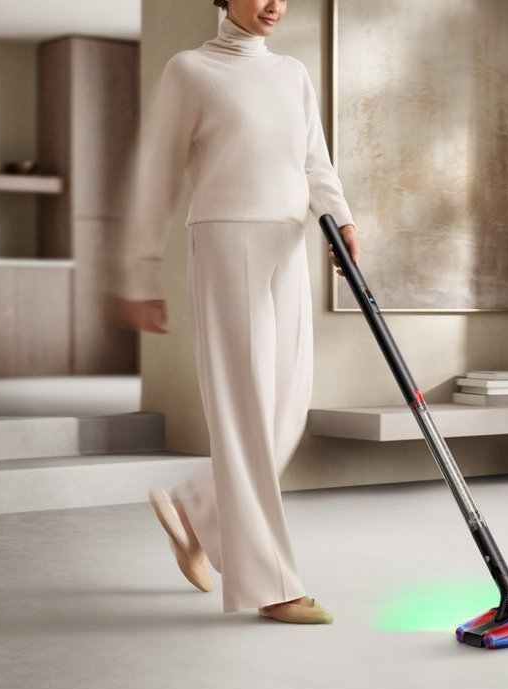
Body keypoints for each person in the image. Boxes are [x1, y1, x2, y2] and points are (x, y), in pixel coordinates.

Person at [108, 0, 360, 625]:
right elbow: (157, 174)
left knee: (286, 408)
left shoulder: (294, 73)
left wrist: (341, 219)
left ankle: (197, 504)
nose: (275, 4)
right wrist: (138, 269)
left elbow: (314, 161)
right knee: (245, 411)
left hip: (288, 242)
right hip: (227, 242)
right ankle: (269, 583)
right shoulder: (189, 71)